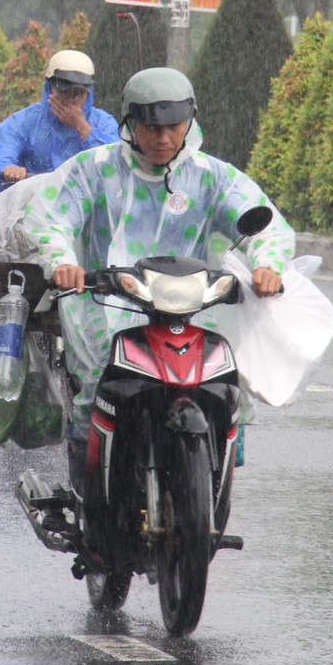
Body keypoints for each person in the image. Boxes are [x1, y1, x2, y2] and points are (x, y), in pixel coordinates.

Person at [19, 67, 294, 493]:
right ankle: (86, 489)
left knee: (224, 383)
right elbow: (50, 218)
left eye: (173, 127)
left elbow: (265, 226)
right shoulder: (94, 169)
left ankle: (215, 471)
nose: (163, 138)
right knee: (97, 384)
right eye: (151, 127)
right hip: (104, 303)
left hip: (191, 304)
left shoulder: (212, 175)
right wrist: (62, 262)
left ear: (190, 122)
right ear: (130, 123)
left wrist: (267, 266)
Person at [0, 50, 120, 202]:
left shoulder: (103, 123)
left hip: (88, 207)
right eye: (64, 92)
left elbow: (116, 163)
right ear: (49, 87)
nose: (70, 100)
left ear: (88, 93)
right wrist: (8, 169)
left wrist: (82, 127)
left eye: (78, 93)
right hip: (33, 206)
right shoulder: (28, 120)